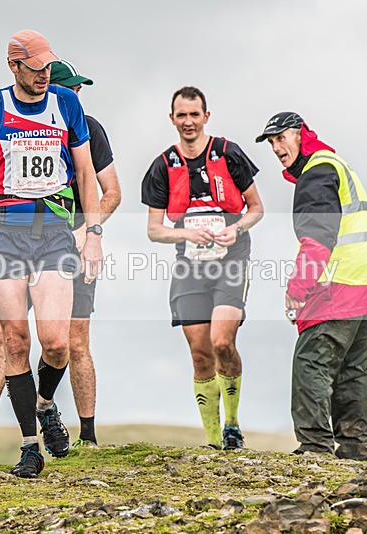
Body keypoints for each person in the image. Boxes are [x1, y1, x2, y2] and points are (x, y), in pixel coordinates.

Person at [0, 59, 120, 460]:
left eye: (79, 90)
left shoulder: (88, 128)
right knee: (4, 336)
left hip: (65, 245)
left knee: (67, 341)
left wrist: (88, 231)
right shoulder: (11, 115)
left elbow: (111, 191)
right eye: (69, 88)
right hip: (13, 237)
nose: (77, 97)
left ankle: (77, 429)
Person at [256, 111, 367, 460]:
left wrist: (297, 290)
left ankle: (315, 449)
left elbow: (317, 239)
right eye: (271, 143)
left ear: (300, 134)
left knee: (311, 363)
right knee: (353, 373)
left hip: (338, 286)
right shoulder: (338, 165)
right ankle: (355, 452)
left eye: (281, 138)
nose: (276, 148)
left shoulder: (316, 173)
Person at [141, 86, 264, 449]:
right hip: (189, 265)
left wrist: (236, 227)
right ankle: (212, 441)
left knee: (222, 342)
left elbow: (256, 208)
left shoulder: (228, 153)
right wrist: (186, 233)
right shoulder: (162, 165)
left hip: (231, 259)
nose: (189, 122)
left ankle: (232, 425)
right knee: (199, 352)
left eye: (195, 115)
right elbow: (153, 230)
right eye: (182, 115)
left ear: (206, 117)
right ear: (172, 119)